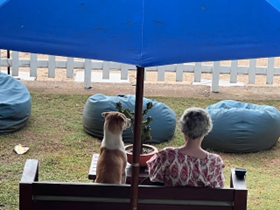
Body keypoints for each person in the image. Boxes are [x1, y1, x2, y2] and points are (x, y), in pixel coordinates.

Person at [147, 107, 225, 188]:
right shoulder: (214, 162)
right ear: (206, 131)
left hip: (170, 200)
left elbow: (154, 179)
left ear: (182, 128)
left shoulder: (166, 155)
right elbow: (219, 189)